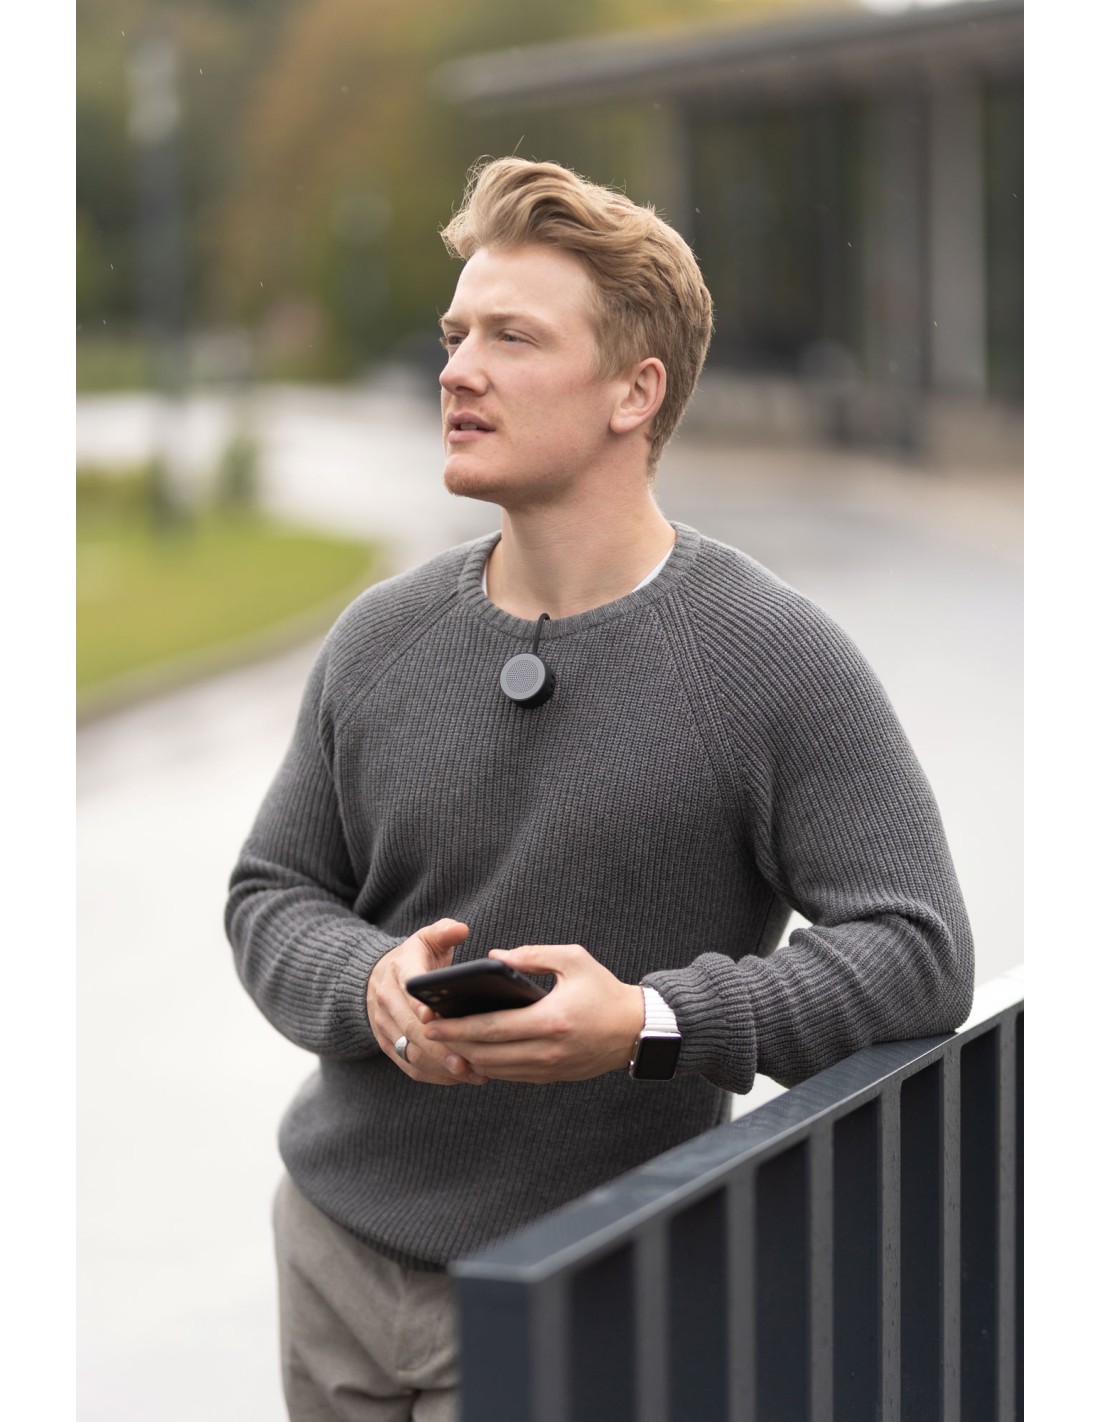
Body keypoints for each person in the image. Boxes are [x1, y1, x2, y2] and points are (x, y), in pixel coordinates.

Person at [226, 156, 973, 1422]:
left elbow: (917, 950)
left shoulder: (771, 657)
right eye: (456, 333)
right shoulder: (378, 636)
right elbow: (271, 891)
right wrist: (370, 985)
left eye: (510, 337)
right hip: (330, 1255)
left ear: (636, 391)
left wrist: (647, 1022)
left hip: (588, 1284)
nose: (457, 370)